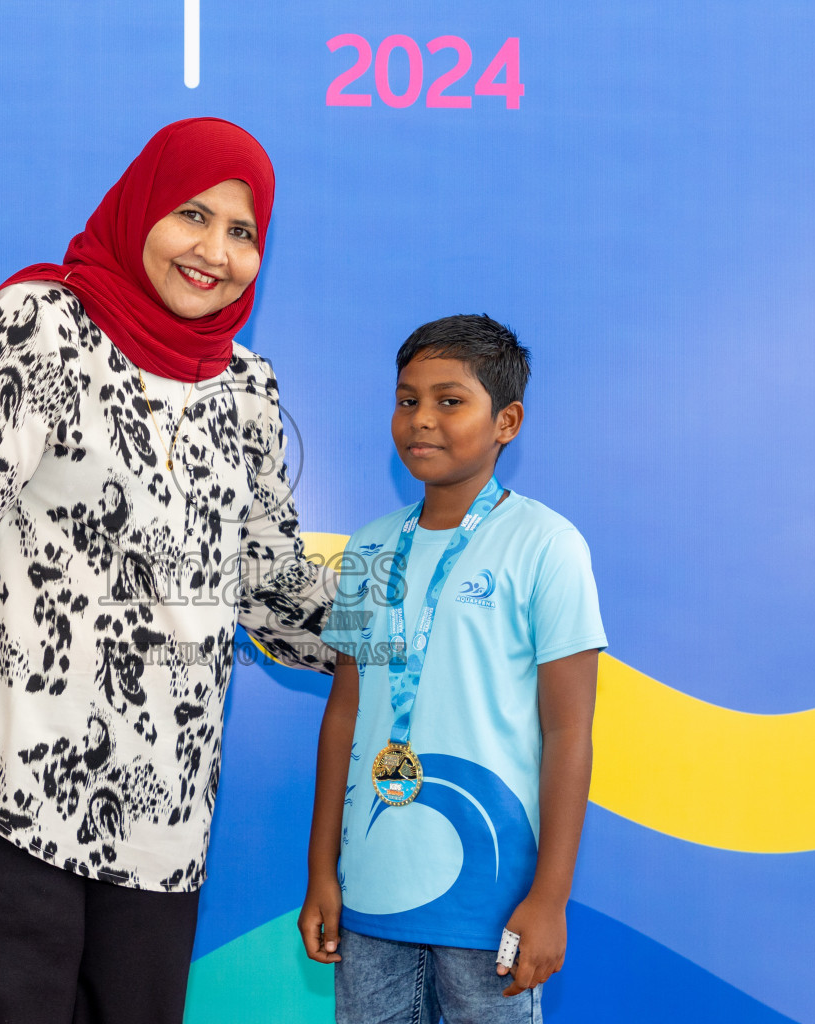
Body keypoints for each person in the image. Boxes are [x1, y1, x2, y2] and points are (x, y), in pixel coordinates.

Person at [0, 118, 335, 1024]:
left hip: (162, 816)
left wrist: (422, 624)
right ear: (141, 211)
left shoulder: (247, 388)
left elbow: (271, 587)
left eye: (244, 232)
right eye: (193, 215)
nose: (216, 251)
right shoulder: (39, 327)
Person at [298, 314, 606, 1023]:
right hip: (371, 892)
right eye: (407, 400)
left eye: (450, 400)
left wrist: (550, 897)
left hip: (492, 897)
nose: (421, 421)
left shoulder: (547, 545)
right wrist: (322, 872)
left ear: (508, 421)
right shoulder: (372, 548)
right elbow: (343, 713)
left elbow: (569, 731)